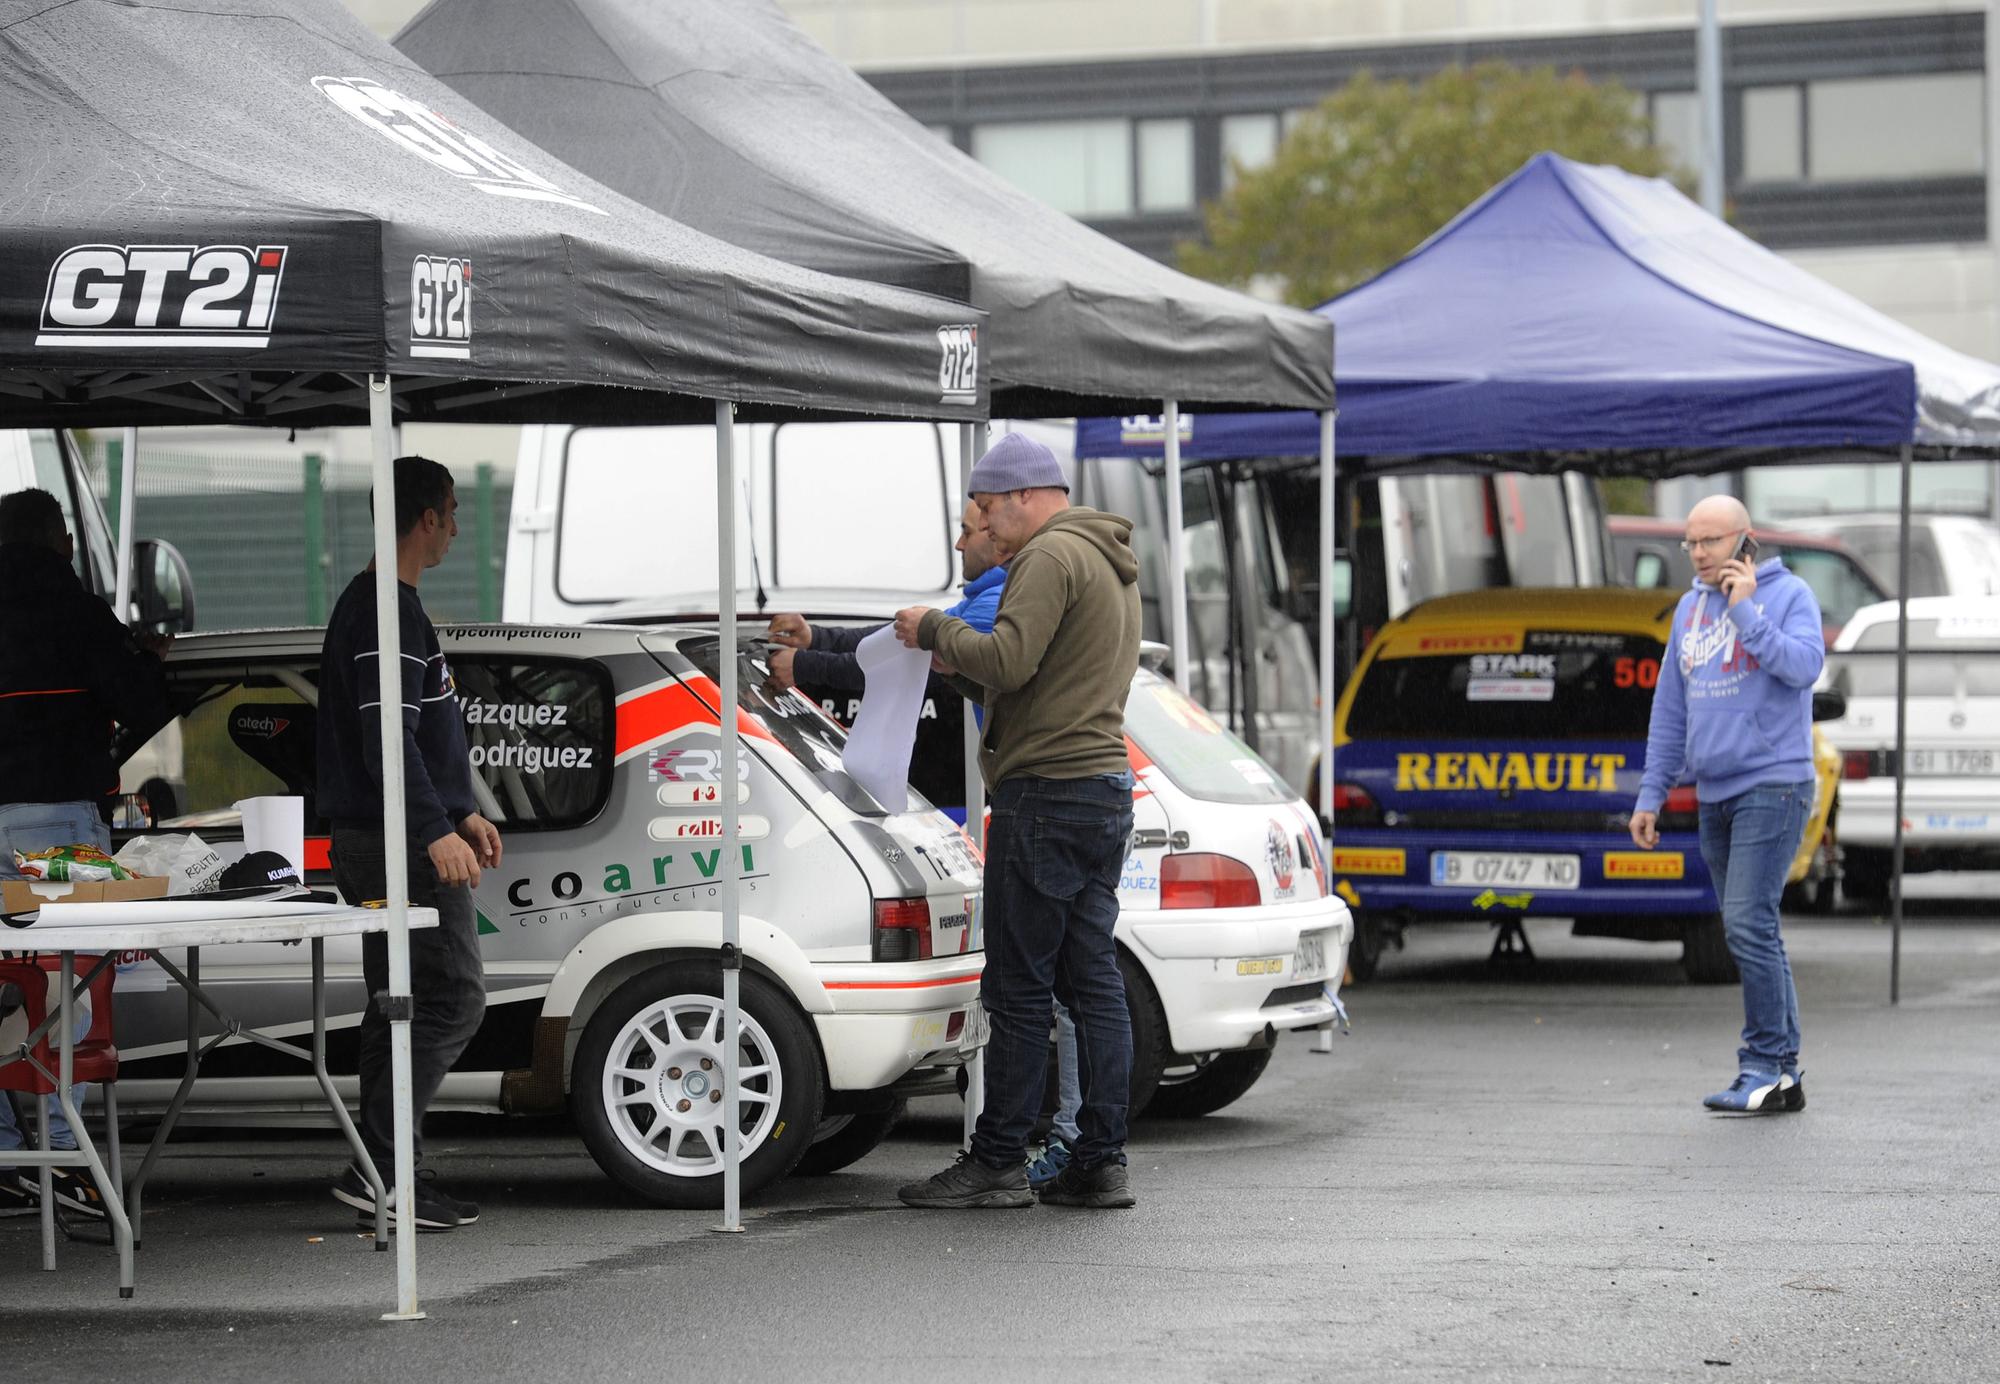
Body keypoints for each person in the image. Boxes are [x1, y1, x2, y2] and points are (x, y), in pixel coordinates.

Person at [891, 433, 1142, 1209]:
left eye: (990, 511)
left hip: (1046, 794)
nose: (987, 529)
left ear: (1028, 496)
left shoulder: (1048, 558)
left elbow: (1008, 659)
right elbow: (1034, 681)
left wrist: (934, 629)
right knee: (1093, 981)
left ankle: (996, 1160)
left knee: (1020, 988)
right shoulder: (1107, 557)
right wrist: (962, 665)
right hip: (1101, 788)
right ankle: (1100, 1160)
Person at [318, 457, 501, 1231]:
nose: (457, 527)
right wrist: (432, 831)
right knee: (452, 997)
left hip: (396, 834)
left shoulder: (389, 608)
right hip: (391, 843)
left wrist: (460, 812)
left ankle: (386, 1171)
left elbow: (412, 737)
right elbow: (385, 739)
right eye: (452, 512)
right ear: (425, 518)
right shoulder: (382, 613)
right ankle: (384, 1168)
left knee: (398, 1006)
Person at [0, 487, 174, 1219]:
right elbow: (146, 702)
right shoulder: (73, 606)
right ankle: (61, 1151)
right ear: (62, 542)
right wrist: (145, 661)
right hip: (61, 825)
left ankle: (8, 1148)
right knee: (64, 978)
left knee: (4, 981)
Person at [1630, 495, 1824, 1114]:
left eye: (1709, 542)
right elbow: (1670, 709)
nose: (1697, 553)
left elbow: (1805, 667)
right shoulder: (1688, 609)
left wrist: (1746, 614)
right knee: (1753, 927)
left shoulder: (1788, 596)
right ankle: (1780, 1072)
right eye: (1690, 542)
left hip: (1774, 783)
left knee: (1745, 922)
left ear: (1745, 542)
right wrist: (1651, 794)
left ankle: (1764, 1064)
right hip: (1714, 790)